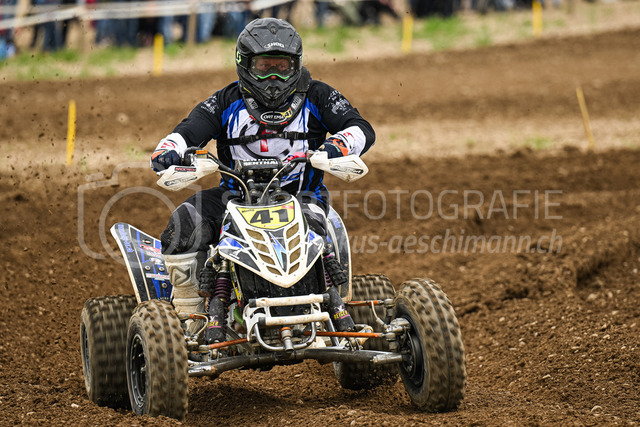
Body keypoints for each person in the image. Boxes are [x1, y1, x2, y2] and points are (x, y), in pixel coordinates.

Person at [150, 18, 375, 342]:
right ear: (245, 64)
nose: (273, 78)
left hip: (302, 196)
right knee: (184, 222)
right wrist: (170, 150)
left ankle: (329, 311)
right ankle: (191, 318)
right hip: (234, 198)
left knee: (313, 233)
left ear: (296, 65)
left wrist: (337, 145)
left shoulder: (318, 95)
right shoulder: (226, 101)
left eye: (282, 68)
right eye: (265, 67)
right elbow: (187, 132)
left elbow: (361, 128)